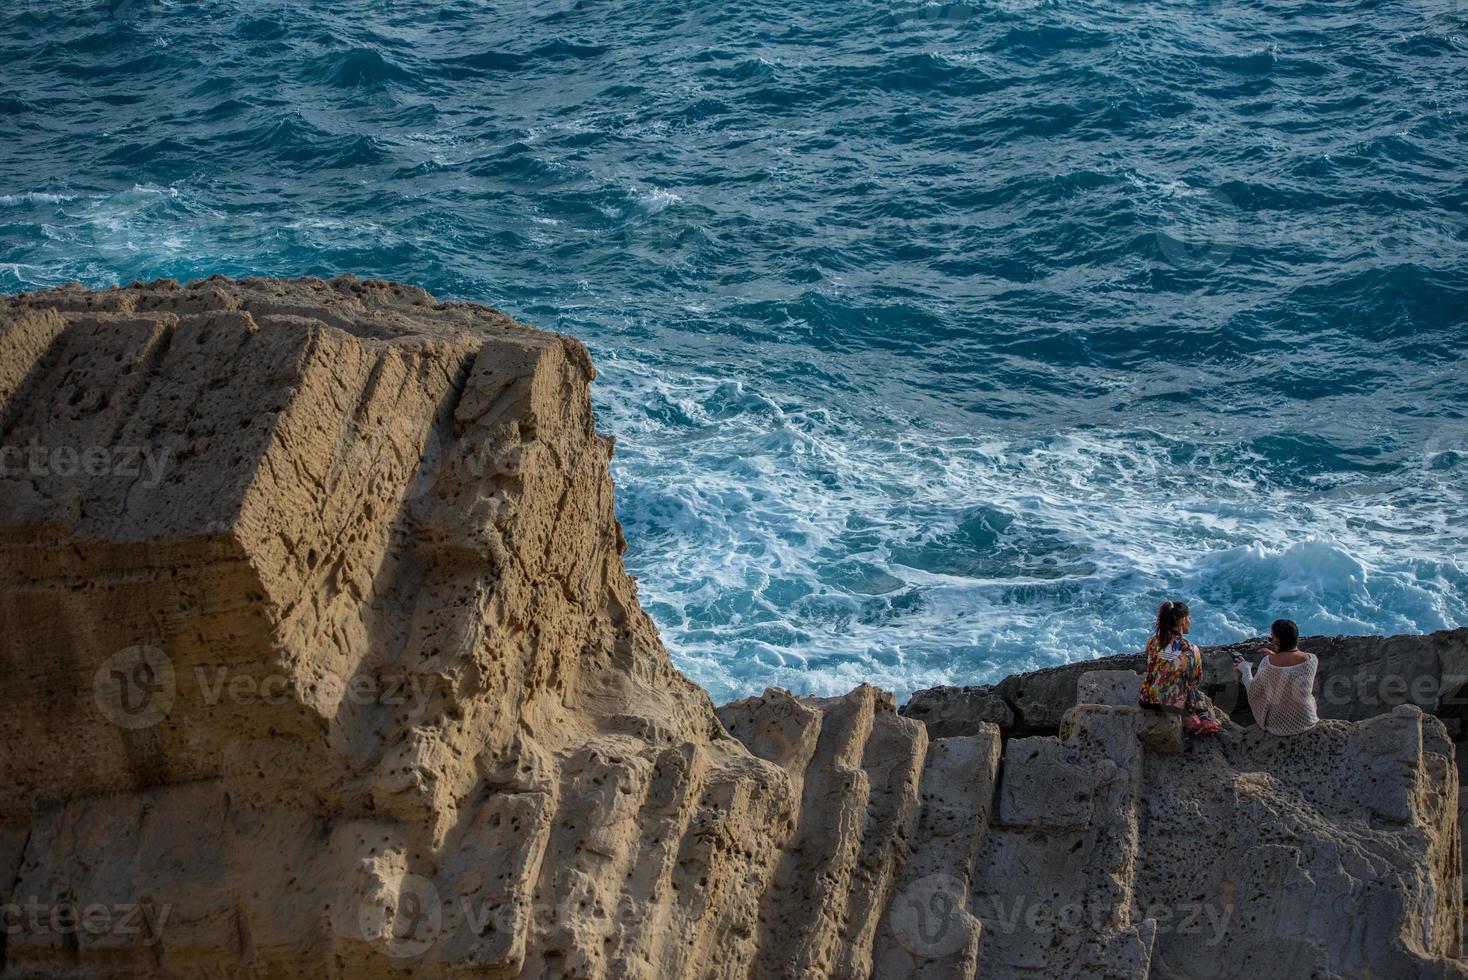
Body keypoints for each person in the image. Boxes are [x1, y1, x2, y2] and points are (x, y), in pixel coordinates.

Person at [1139, 600, 1219, 736]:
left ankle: (1189, 718)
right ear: (1182, 620)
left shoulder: (1152, 641)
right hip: (1171, 705)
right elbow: (1195, 680)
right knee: (1191, 685)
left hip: (1145, 700)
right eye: (1189, 617)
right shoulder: (1190, 648)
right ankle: (1201, 719)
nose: (1191, 621)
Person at [1233, 619, 1318, 736]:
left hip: (1277, 725)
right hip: (1307, 719)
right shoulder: (1312, 660)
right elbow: (1290, 672)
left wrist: (1245, 669)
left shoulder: (1267, 663)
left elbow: (1253, 691)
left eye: (1272, 637)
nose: (1271, 639)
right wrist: (1274, 655)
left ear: (1277, 640)